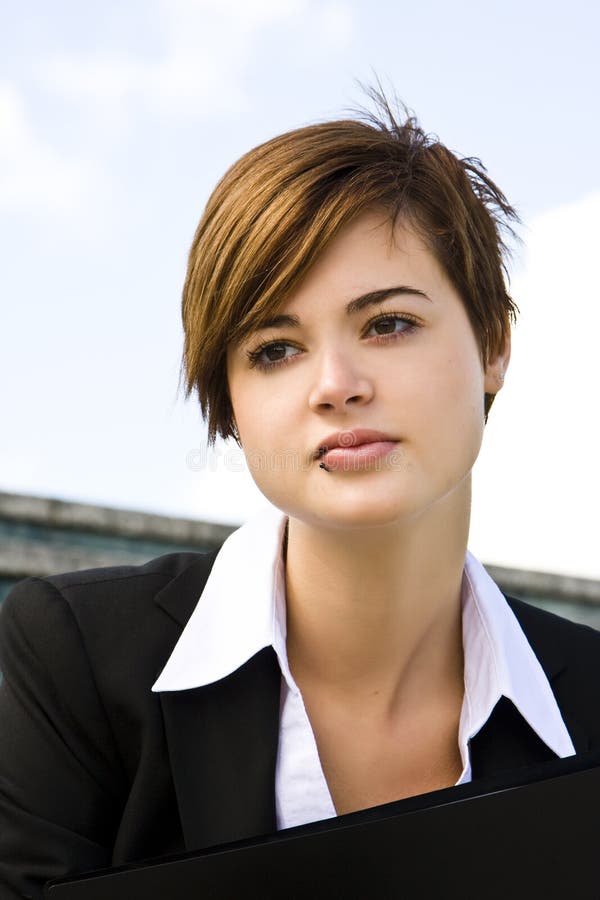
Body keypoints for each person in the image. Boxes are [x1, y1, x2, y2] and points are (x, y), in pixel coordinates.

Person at [2, 94, 600, 898]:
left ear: (493, 343)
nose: (336, 387)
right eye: (275, 348)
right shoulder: (72, 660)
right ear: (232, 404)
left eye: (387, 324)